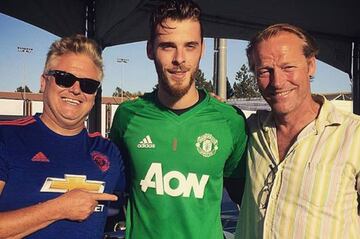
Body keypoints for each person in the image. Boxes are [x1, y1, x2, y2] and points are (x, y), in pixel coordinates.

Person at [110, 0, 248, 238]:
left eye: (190, 46)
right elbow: (113, 194)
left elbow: (247, 201)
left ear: (202, 49)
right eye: (167, 46)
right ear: (150, 49)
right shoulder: (128, 117)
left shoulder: (230, 121)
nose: (179, 58)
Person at [235, 23, 360, 239]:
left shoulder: (354, 135)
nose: (277, 82)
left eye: (288, 67)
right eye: (265, 71)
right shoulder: (249, 130)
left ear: (311, 65)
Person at [0, 35, 125, 238]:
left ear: (95, 95)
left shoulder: (108, 152)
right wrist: (57, 209)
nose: (76, 90)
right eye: (64, 78)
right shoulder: (7, 138)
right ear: (43, 82)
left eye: (88, 85)